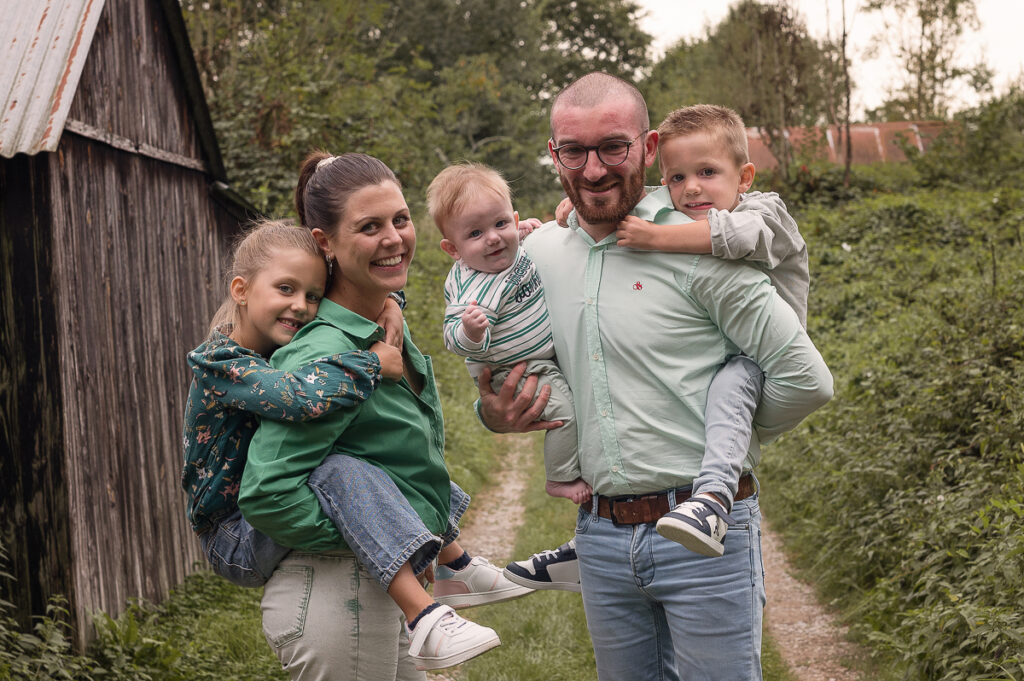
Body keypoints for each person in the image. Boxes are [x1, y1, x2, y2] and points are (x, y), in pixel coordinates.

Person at [479, 72, 833, 681]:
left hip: (705, 535)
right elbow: (494, 387)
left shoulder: (694, 242)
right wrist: (496, 414)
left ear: (648, 147)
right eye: (574, 151)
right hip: (600, 538)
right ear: (553, 153)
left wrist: (730, 441)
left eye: (613, 147)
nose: (592, 170)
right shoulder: (534, 259)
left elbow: (805, 378)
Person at [182, 218, 525, 673]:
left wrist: (392, 304)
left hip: (252, 523)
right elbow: (295, 395)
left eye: (312, 295)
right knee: (340, 469)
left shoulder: (277, 343)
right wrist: (370, 363)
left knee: (368, 461)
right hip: (232, 535)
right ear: (241, 290)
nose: (301, 306)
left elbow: (356, 292)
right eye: (285, 289)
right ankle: (424, 608)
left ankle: (450, 558)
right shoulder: (220, 362)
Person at [509, 103, 808, 569]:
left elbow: (730, 236)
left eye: (707, 172)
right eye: (676, 178)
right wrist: (580, 206)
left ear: (744, 176)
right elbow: (640, 195)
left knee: (728, 395)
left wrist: (653, 238)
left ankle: (711, 502)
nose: (690, 188)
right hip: (616, 512)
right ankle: (596, 537)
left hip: (755, 360)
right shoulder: (673, 204)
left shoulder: (762, 212)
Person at [427, 163, 587, 525]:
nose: (494, 238)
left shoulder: (514, 249)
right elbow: (453, 339)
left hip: (540, 357)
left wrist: (526, 230)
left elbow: (521, 244)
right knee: (565, 413)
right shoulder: (475, 287)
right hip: (514, 370)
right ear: (453, 249)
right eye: (476, 233)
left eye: (501, 224)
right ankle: (561, 477)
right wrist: (471, 329)